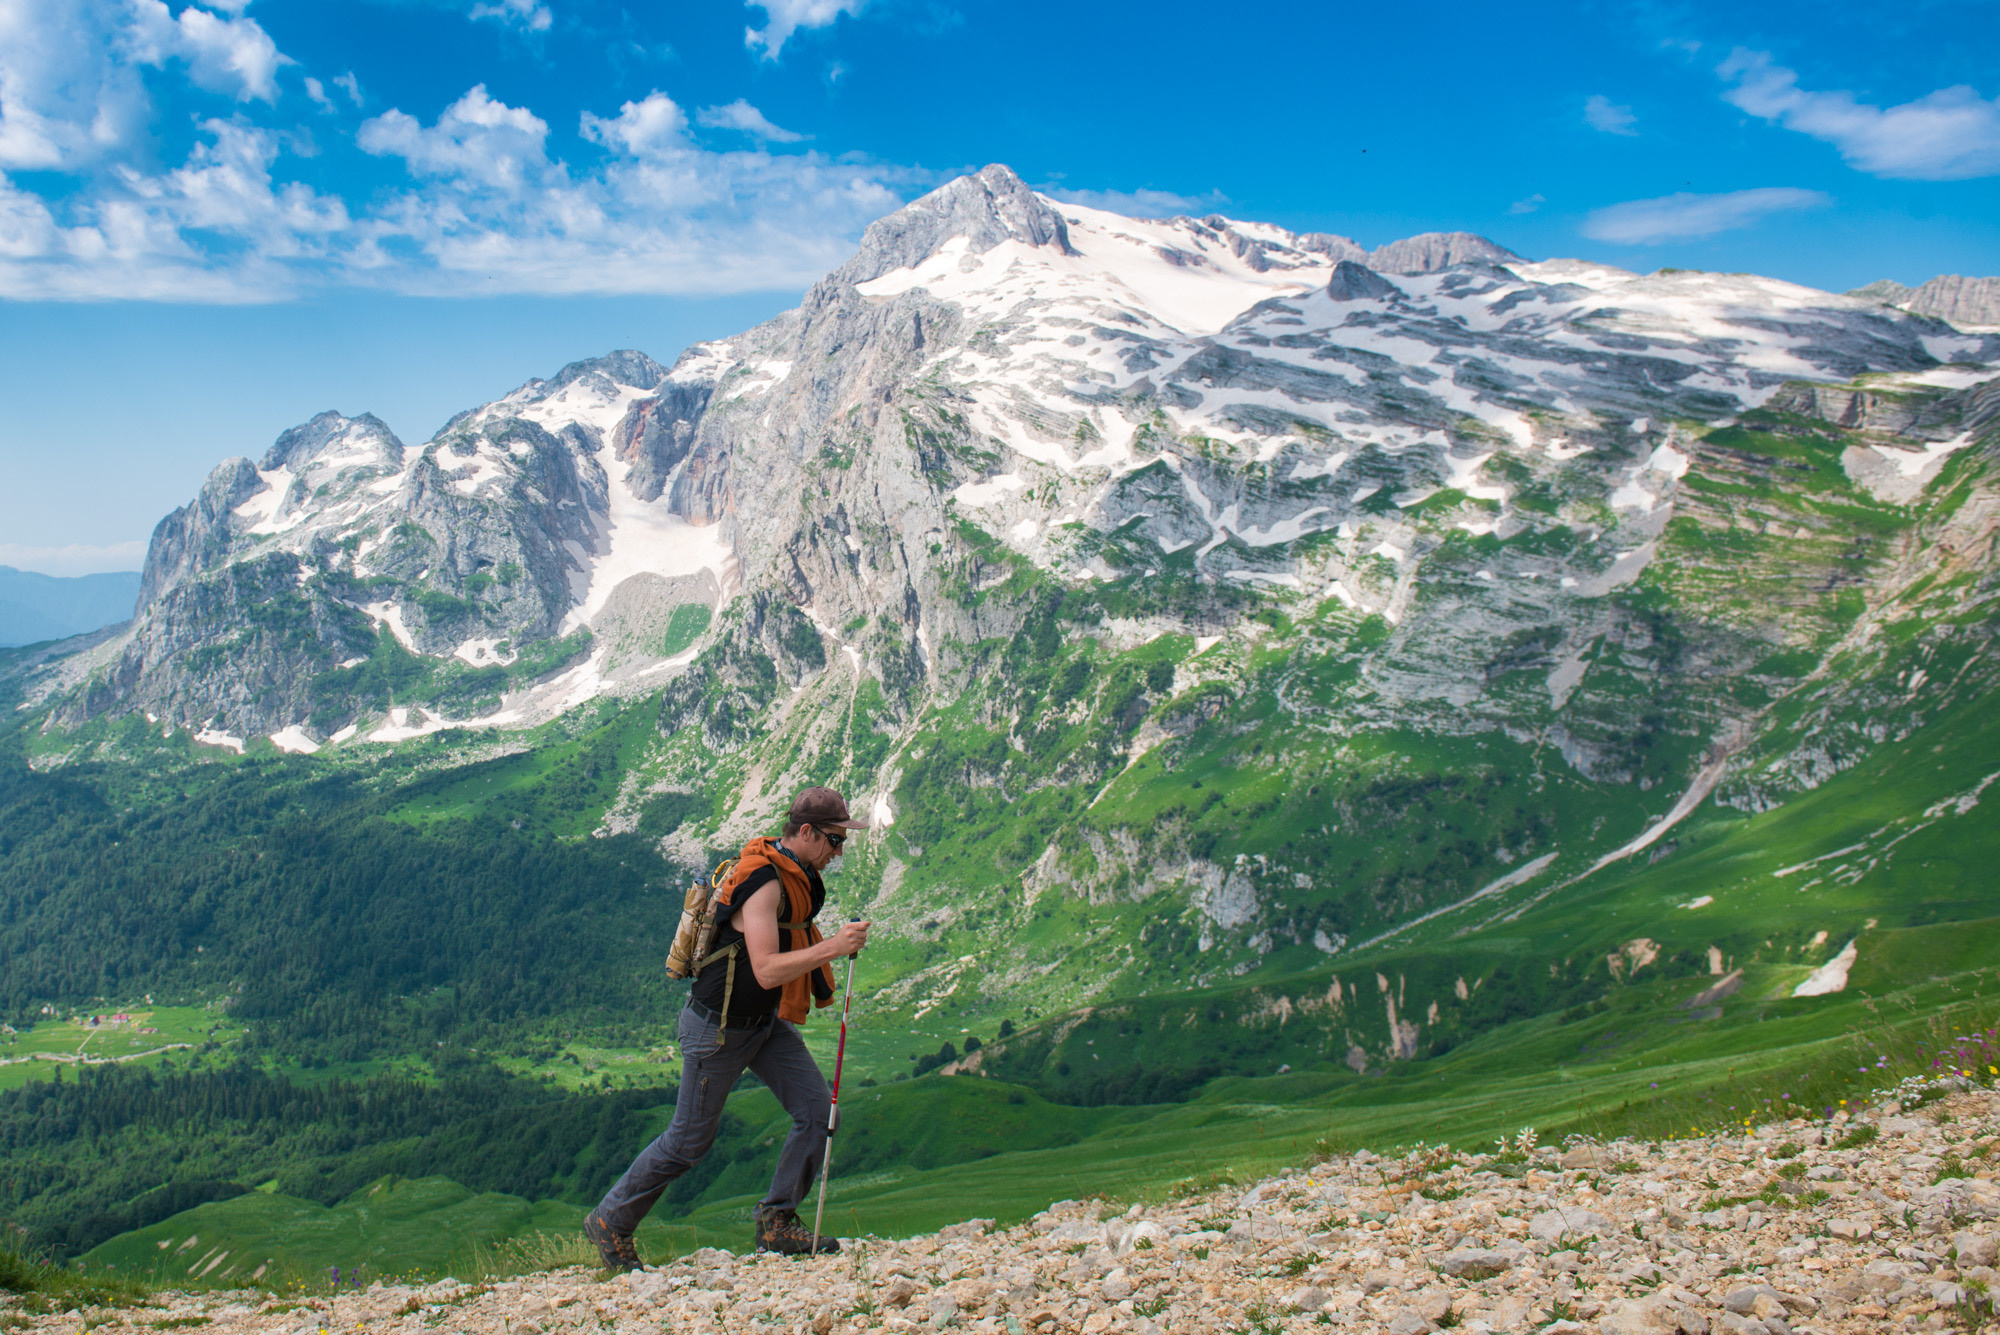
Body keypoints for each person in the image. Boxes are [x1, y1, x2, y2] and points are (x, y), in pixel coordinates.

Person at [584, 786, 871, 1268]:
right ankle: (610, 1220)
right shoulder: (764, 882)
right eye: (834, 840)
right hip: (716, 1029)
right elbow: (766, 970)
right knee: (686, 1143)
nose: (838, 852)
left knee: (820, 1112)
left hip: (761, 1023)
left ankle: (777, 1221)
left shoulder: (794, 873)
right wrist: (833, 949)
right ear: (806, 832)